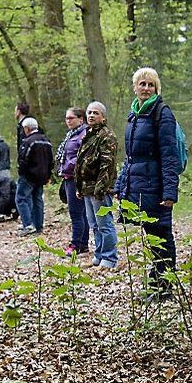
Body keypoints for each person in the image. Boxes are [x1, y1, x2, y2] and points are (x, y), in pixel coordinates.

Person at [115, 68, 180, 300]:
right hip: (140, 186)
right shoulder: (134, 114)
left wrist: (170, 191)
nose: (145, 88)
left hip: (157, 186)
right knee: (151, 236)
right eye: (142, 84)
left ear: (156, 88)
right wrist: (120, 185)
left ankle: (165, 288)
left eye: (150, 85)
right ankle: (156, 284)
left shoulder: (161, 113)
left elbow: (169, 155)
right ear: (135, 87)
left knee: (161, 235)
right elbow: (130, 157)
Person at [74, 101, 119, 269]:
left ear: (103, 117)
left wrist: (100, 189)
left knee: (104, 224)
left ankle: (110, 257)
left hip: (100, 188)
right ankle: (99, 254)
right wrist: (79, 186)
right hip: (87, 187)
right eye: (89, 112)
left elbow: (107, 165)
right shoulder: (88, 134)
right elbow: (81, 162)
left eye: (96, 113)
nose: (91, 115)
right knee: (93, 224)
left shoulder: (107, 136)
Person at [56, 107, 89, 255]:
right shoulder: (72, 134)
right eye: (66, 118)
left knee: (76, 213)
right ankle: (83, 243)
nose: (68, 121)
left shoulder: (84, 134)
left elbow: (83, 156)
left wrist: (68, 165)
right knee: (81, 213)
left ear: (80, 119)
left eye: (71, 118)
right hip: (69, 177)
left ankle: (76, 244)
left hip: (76, 177)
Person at [16, 117, 53, 235]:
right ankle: (38, 225)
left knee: (21, 198)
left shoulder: (28, 142)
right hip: (42, 176)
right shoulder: (46, 141)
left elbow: (23, 160)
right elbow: (51, 161)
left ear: (27, 128)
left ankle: (28, 224)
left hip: (28, 176)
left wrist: (21, 172)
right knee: (37, 199)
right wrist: (48, 174)